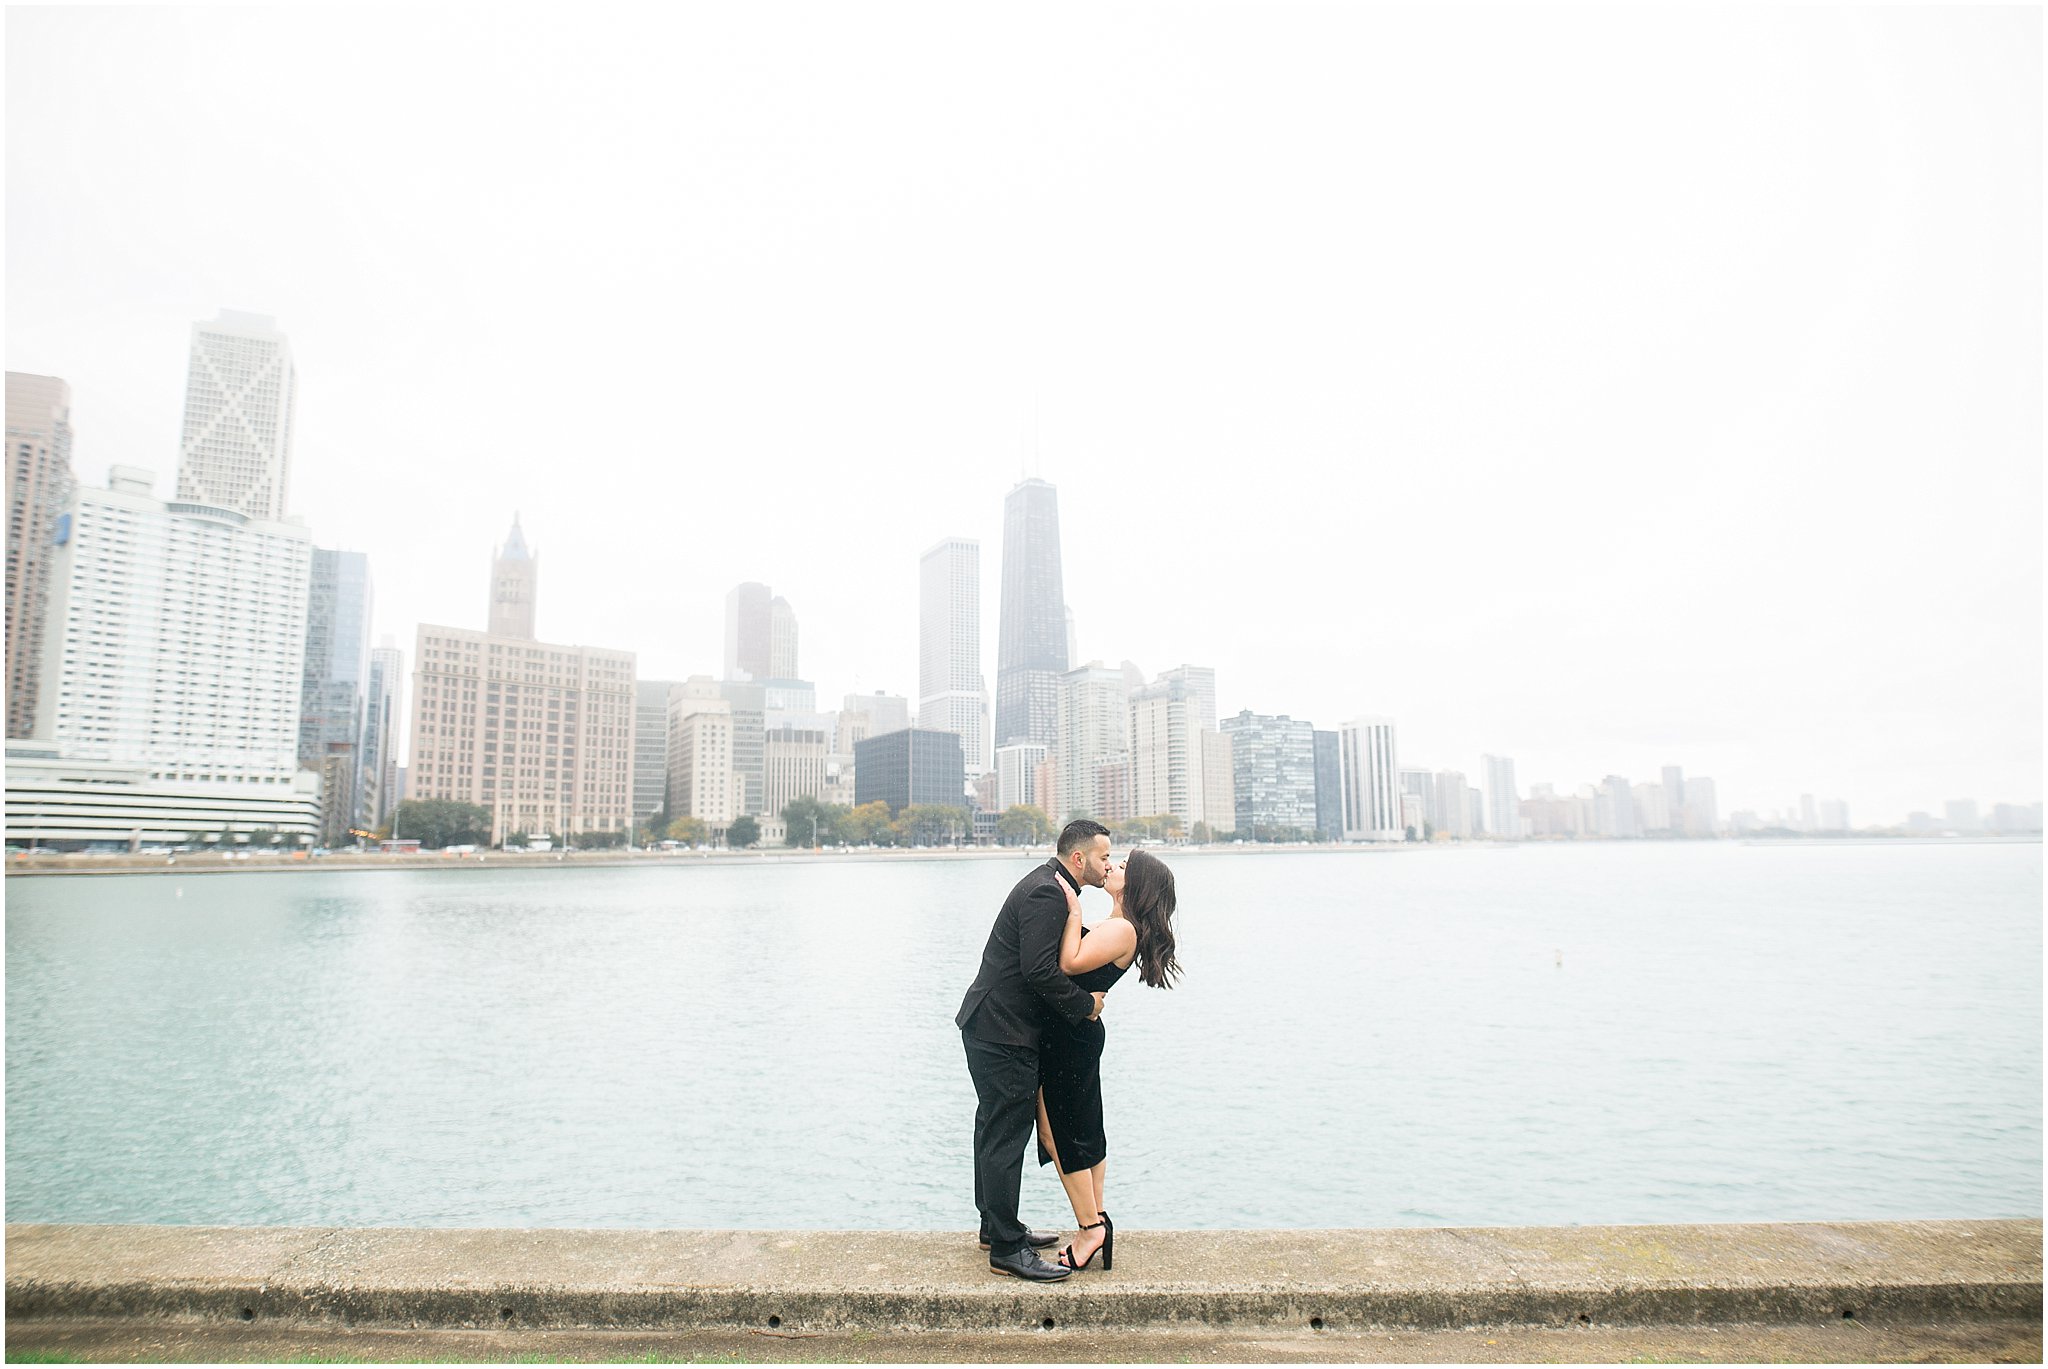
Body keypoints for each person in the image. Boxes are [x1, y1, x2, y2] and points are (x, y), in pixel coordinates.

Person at [956, 819, 1113, 1280]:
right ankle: (1006, 1249)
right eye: (1104, 856)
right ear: (1079, 858)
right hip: (1003, 1030)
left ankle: (996, 1226)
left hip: (991, 1024)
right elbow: (1040, 972)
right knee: (1006, 1133)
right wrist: (1087, 1006)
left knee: (993, 1128)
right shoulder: (1048, 892)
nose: (1108, 864)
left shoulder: (1050, 885)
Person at [1034, 847, 1180, 1272]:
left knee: (1062, 1133)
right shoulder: (1117, 926)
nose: (1113, 866)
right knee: (1078, 1129)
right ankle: (1097, 1218)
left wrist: (1074, 908)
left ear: (1135, 886)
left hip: (1070, 1038)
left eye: (1124, 866)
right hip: (1075, 1033)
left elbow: (1068, 961)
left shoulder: (1123, 930)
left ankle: (1090, 1227)